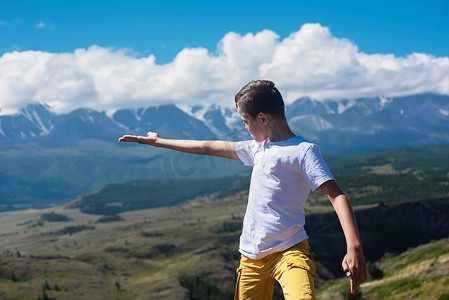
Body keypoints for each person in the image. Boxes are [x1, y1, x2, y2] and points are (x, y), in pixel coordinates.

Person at [118, 80, 367, 300]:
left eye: (246, 121)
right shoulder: (257, 148)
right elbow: (205, 146)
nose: (246, 128)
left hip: (290, 251)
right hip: (251, 256)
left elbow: (337, 195)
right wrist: (157, 142)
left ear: (263, 118)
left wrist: (354, 247)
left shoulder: (303, 151)